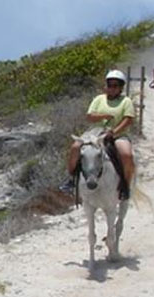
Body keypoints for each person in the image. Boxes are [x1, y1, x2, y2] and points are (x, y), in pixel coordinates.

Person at [61, 70, 138, 200]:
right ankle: (71, 179)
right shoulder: (99, 99)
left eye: (115, 86)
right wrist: (104, 116)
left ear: (121, 87)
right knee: (75, 147)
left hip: (118, 133)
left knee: (127, 154)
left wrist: (114, 132)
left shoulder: (126, 101)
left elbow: (128, 119)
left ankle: (125, 185)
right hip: (95, 132)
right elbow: (90, 116)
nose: (111, 88)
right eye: (109, 85)